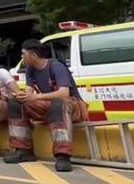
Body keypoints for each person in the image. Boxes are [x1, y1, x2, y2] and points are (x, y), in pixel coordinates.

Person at [6, 39, 89, 172]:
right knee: (16, 103)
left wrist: (36, 97)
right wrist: (24, 96)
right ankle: (23, 150)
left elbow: (64, 93)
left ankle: (63, 156)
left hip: (70, 105)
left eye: (23, 54)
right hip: (49, 106)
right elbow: (29, 89)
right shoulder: (30, 69)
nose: (21, 57)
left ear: (33, 55)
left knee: (58, 103)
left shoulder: (55, 66)